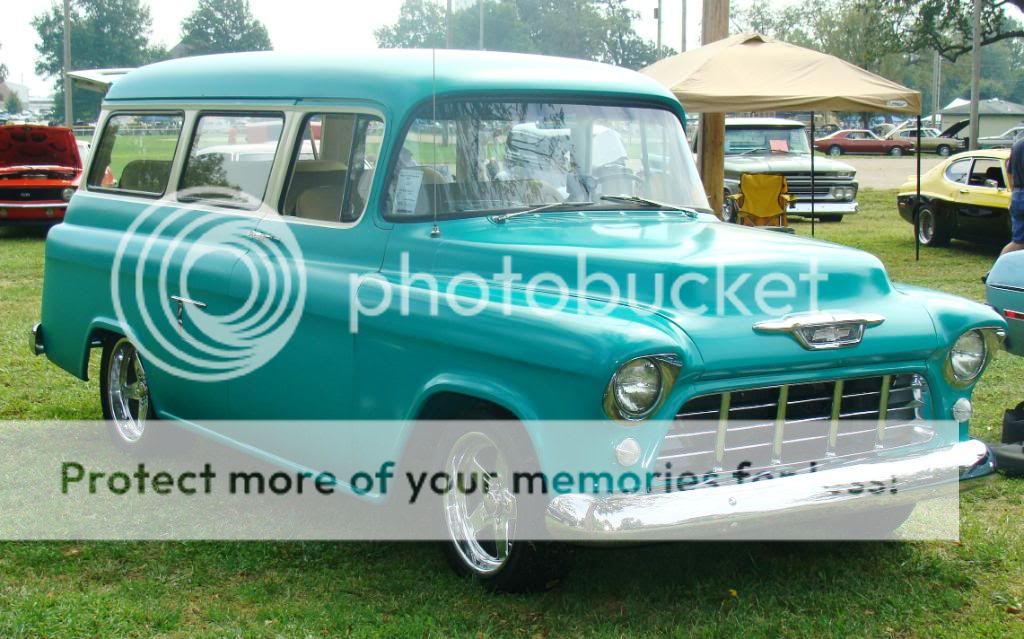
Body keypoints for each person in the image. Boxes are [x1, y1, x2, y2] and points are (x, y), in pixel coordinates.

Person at [1003, 132, 1024, 255]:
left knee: (1018, 242)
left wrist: (1014, 192)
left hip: (1017, 194)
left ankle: (1000, 265)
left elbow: (1009, 173)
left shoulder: (1017, 145)